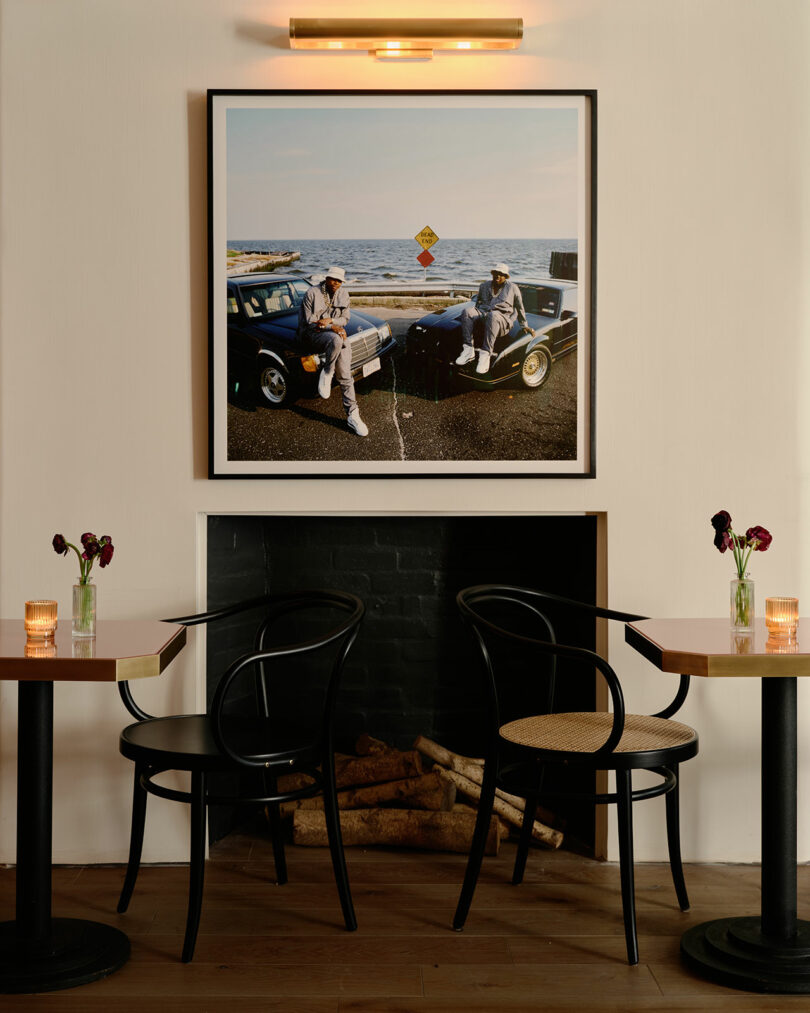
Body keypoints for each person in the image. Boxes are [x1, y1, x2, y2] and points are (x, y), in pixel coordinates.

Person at [298, 266, 368, 437]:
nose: (336, 283)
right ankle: (328, 371)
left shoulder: (343, 294)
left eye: (339, 281)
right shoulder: (312, 293)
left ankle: (353, 414)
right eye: (333, 279)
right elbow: (310, 321)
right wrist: (334, 326)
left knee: (345, 374)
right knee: (337, 339)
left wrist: (333, 322)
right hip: (311, 334)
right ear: (327, 278)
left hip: (334, 334)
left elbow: (346, 318)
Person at [455, 263, 535, 374]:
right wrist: (471, 320)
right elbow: (478, 304)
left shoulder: (513, 288)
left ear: (506, 276)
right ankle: (468, 350)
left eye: (501, 274)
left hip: (502, 320)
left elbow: (519, 307)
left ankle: (485, 354)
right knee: (467, 311)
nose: (498, 276)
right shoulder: (484, 286)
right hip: (484, 314)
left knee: (493, 315)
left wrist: (524, 325)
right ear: (492, 274)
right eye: (496, 273)